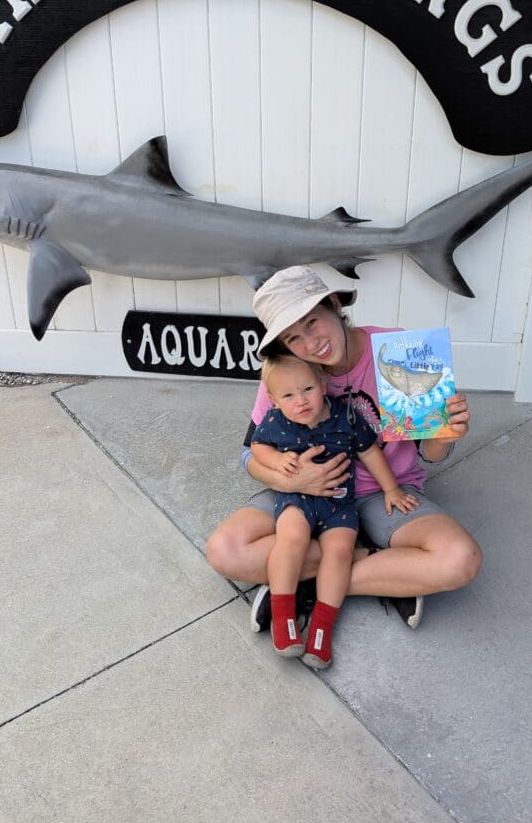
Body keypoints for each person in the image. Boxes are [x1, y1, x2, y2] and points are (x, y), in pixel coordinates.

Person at [205, 265, 482, 633]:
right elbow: (249, 454)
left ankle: (297, 585)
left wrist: (442, 438)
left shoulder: (399, 349)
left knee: (459, 559)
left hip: (384, 495)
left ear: (334, 303)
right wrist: (291, 482)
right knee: (225, 550)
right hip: (304, 494)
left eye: (312, 322)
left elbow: (426, 455)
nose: (309, 343)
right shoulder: (288, 369)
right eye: (293, 338)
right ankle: (390, 571)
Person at [252, 353, 420, 668]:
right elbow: (257, 447)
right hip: (297, 499)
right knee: (291, 541)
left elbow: (370, 453)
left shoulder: (345, 416)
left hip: (339, 504)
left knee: (340, 552)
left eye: (307, 390)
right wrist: (276, 461)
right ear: (273, 400)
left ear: (323, 383)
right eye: (288, 395)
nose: (300, 401)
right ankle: (284, 614)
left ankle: (321, 626)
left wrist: (392, 489)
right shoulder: (275, 422)